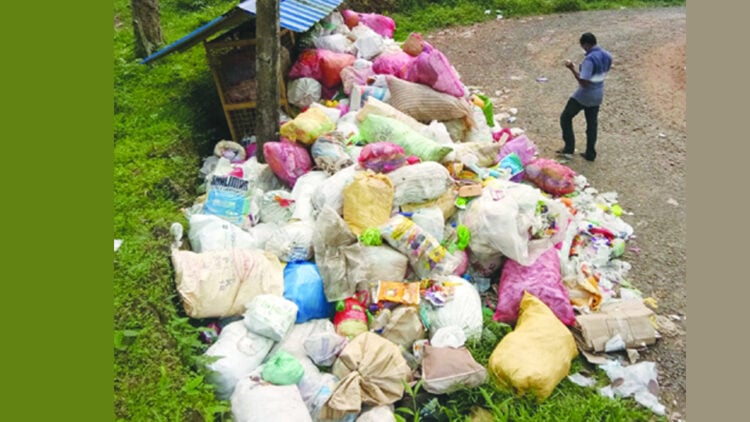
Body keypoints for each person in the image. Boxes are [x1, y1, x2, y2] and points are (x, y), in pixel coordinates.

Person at [557, 32, 612, 162]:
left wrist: (572, 68)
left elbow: (584, 82)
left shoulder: (590, 59)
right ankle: (590, 153)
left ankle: (569, 147)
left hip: (585, 95)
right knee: (592, 124)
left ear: (586, 45)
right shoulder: (607, 55)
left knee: (566, 117)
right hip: (598, 93)